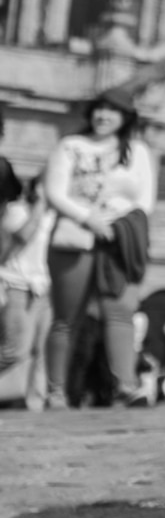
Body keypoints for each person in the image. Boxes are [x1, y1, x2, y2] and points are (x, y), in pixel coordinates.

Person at [40, 94, 153, 407]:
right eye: (100, 109)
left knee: (121, 312)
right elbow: (54, 192)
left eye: (113, 110)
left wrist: (119, 226)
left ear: (125, 117)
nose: (104, 115)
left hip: (119, 243)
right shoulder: (70, 146)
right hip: (75, 239)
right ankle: (56, 391)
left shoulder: (137, 152)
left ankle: (126, 386)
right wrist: (88, 218)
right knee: (67, 317)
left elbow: (145, 199)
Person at [0, 159, 46, 408]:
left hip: (42, 289)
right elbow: (23, 236)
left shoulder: (51, 215)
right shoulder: (16, 210)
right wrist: (40, 206)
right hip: (15, 286)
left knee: (39, 353)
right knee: (15, 350)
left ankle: (35, 405)